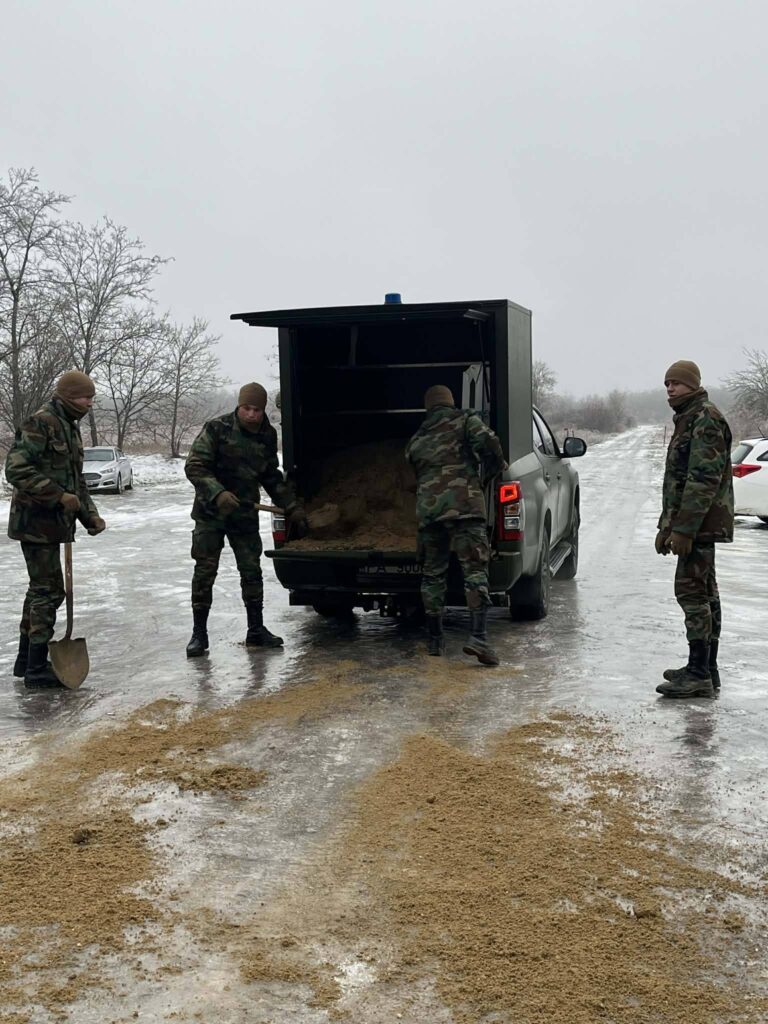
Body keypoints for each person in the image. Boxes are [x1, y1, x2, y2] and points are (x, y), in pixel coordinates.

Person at [184, 382, 308, 657]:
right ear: (239, 406)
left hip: (244, 514)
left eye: (257, 410)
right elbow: (195, 466)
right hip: (210, 514)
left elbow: (270, 476)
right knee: (205, 572)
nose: (251, 414)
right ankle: (199, 634)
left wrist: (290, 505)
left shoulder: (267, 435)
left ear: (263, 410)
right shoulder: (217, 428)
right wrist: (217, 493)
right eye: (246, 408)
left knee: (252, 571)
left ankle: (256, 630)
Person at [5, 371, 106, 688]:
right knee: (49, 592)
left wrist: (90, 516)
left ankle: (26, 661)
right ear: (69, 396)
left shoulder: (69, 427)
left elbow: (75, 482)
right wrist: (57, 496)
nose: (90, 403)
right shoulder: (42, 422)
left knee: (40, 591)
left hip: (53, 525)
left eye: (91, 398)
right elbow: (16, 469)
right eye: (86, 397)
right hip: (35, 523)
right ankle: (36, 669)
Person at [406, 385, 507, 665]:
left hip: (430, 515)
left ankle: (435, 640)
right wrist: (493, 469)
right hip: (465, 508)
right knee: (474, 571)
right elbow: (490, 442)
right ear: (450, 403)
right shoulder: (465, 421)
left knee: (432, 575)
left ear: (428, 407)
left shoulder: (417, 438)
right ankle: (479, 638)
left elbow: (413, 473)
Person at [655, 360, 734, 699]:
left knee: (691, 593)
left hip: (701, 525)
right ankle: (705, 669)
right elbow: (678, 481)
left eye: (676, 383)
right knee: (704, 592)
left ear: (693, 384)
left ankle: (699, 672)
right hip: (695, 524)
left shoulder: (705, 418)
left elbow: (702, 480)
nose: (670, 389)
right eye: (667, 384)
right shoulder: (689, 417)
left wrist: (684, 530)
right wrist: (666, 526)